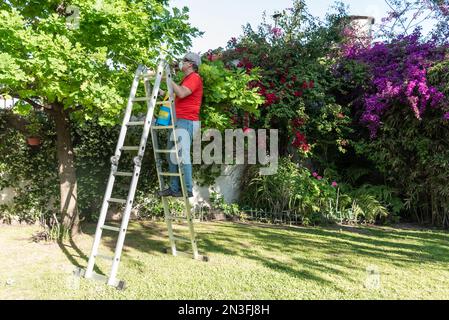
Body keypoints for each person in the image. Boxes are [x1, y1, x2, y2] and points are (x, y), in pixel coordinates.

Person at [157, 52, 203, 198]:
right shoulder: (187, 79)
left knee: (182, 156)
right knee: (172, 155)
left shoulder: (195, 78)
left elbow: (182, 93)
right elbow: (177, 96)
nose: (181, 62)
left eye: (184, 60)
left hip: (187, 121)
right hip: (178, 121)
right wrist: (161, 91)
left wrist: (168, 79)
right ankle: (174, 188)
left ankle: (187, 189)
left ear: (190, 64)